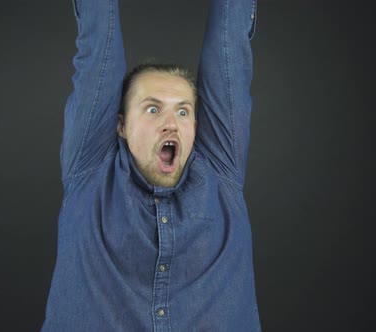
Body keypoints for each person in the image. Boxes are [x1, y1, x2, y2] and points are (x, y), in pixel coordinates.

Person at [41, 0, 260, 330]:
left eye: (183, 111)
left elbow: (230, 43)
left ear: (197, 128)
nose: (171, 123)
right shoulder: (91, 168)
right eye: (153, 109)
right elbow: (98, 40)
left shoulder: (220, 166)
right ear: (121, 126)